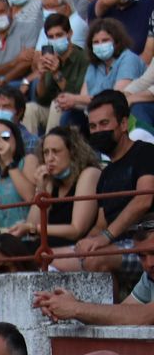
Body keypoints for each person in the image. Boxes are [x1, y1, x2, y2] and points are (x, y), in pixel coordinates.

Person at [69, 91, 154, 274]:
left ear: (124, 124)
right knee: (49, 257)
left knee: (94, 261)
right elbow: (101, 224)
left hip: (147, 241)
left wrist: (105, 237)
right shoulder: (105, 174)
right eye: (93, 126)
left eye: (104, 123)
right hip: (117, 244)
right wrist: (85, 244)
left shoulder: (146, 153)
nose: (98, 130)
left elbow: (144, 200)